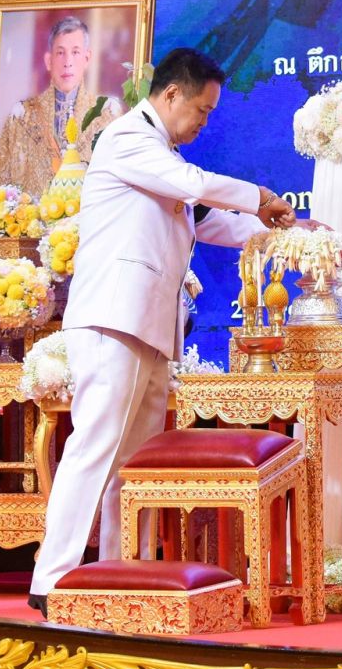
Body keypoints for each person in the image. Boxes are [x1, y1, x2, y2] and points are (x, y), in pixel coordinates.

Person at [27, 47, 296, 610]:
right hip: (114, 318)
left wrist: (281, 234)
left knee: (135, 462)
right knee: (96, 447)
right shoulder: (128, 138)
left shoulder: (160, 154)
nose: (204, 122)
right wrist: (263, 198)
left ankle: (123, 569)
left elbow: (208, 220)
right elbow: (193, 185)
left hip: (147, 324)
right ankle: (51, 578)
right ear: (171, 94)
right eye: (201, 110)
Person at [0, 15, 119, 193]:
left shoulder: (106, 113)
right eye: (60, 53)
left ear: (87, 58)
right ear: (48, 61)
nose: (68, 62)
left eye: (75, 52)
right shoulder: (22, 115)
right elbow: (3, 184)